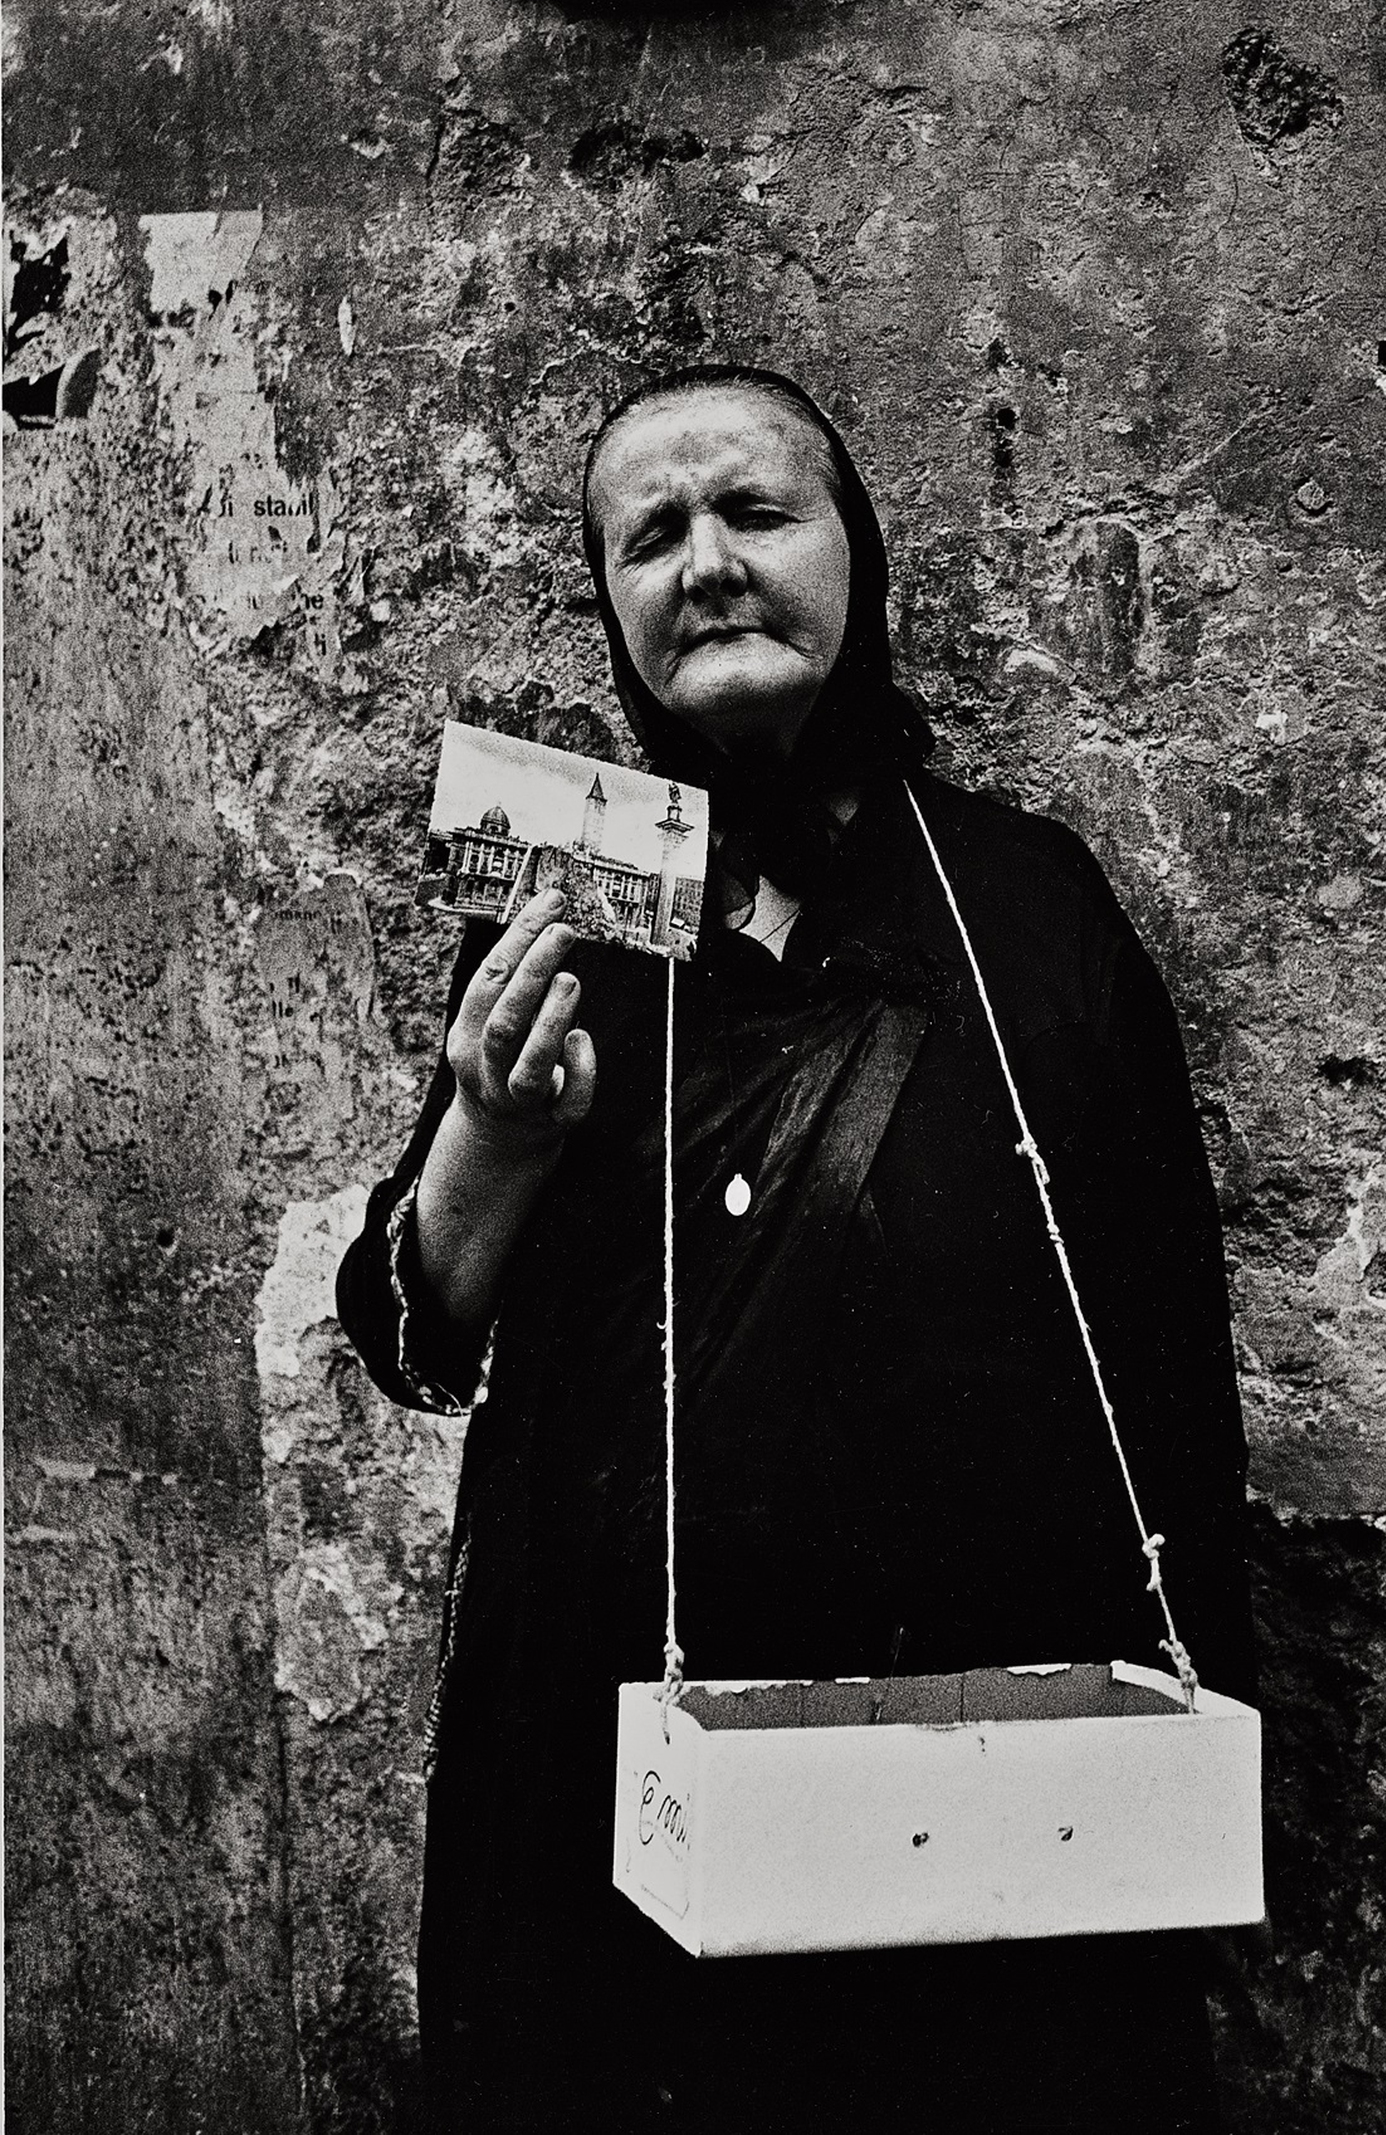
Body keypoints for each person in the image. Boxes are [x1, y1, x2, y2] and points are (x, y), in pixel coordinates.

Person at [337, 364, 1257, 2135]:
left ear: (859, 550)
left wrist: (1198, 1721)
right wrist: (496, 1127)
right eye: (651, 536)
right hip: (623, 1780)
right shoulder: (564, 908)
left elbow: (1169, 1350)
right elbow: (418, 1325)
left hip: (991, 1779)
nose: (708, 564)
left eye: (758, 512)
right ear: (609, 602)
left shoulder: (1023, 905)